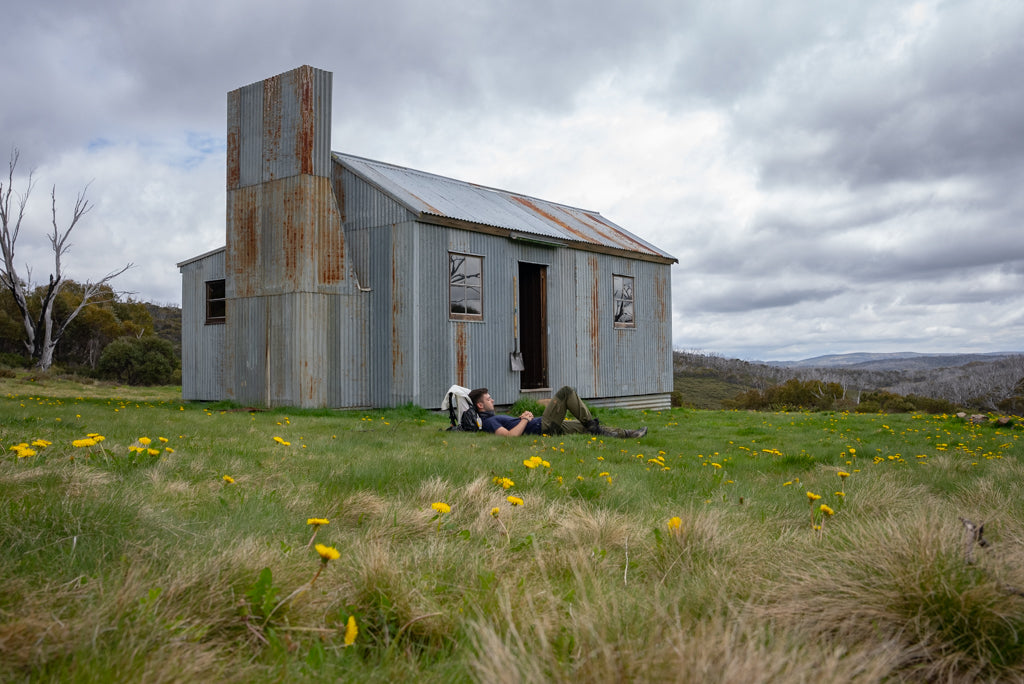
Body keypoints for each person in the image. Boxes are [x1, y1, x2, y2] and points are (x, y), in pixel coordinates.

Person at [468, 385, 647, 438]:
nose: (492, 400)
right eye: (488, 399)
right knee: (566, 392)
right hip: (542, 427)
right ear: (480, 406)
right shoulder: (488, 421)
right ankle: (593, 425)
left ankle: (628, 434)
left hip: (545, 426)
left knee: (585, 428)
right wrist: (525, 419)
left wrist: (523, 418)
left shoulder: (491, 418)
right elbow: (509, 437)